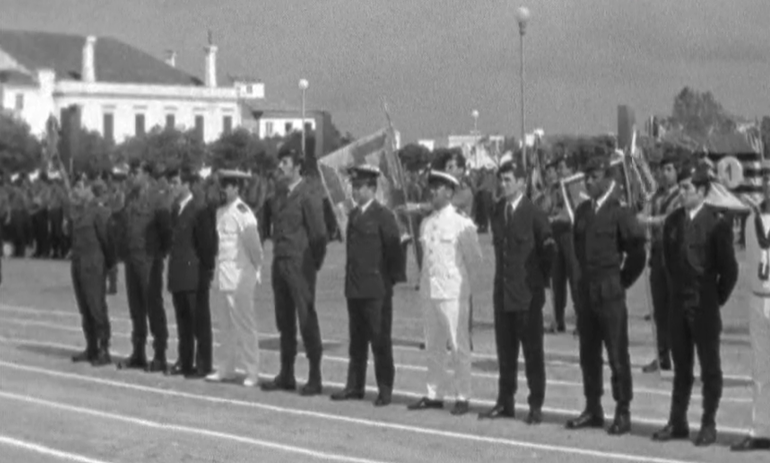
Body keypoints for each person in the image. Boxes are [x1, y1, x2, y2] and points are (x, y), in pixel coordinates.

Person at [653, 161, 739, 447]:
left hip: (704, 305)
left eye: (687, 187)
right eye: (682, 186)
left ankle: (708, 422)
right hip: (679, 303)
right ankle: (678, 421)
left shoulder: (716, 223)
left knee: (709, 368)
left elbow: (729, 271)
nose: (682, 191)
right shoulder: (674, 221)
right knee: (682, 367)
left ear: (702, 191)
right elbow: (668, 261)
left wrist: (714, 299)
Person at [566, 156, 646, 436]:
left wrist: (622, 280)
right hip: (588, 290)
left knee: (616, 354)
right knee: (588, 353)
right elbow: (578, 249)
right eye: (586, 177)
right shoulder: (583, 211)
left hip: (610, 290)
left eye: (594, 176)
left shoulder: (620, 212)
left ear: (608, 179)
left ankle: (623, 411)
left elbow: (637, 252)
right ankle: (592, 407)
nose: (589, 181)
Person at [478, 160, 553, 424]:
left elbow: (548, 253)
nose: (503, 184)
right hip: (503, 294)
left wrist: (538, 284)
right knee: (505, 353)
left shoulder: (534, 213)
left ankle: (535, 404)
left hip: (527, 295)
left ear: (522, 182)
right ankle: (505, 401)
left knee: (533, 355)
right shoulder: (498, 211)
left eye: (509, 179)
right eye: (501, 179)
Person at [406, 170, 482, 416]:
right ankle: (434, 393)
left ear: (449, 192)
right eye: (431, 188)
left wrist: (464, 288)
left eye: (437, 188)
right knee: (433, 346)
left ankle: (463, 395)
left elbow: (474, 260)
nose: (432, 192)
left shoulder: (461, 223)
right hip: (430, 293)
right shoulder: (426, 223)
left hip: (453, 293)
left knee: (459, 346)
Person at [331, 165, 402, 407]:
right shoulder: (353, 216)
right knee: (357, 342)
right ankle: (355, 386)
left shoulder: (383, 216)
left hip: (377, 287)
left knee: (380, 341)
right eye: (353, 186)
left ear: (372, 188)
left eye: (359, 186)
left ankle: (384, 388)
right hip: (355, 287)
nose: (355, 190)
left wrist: (388, 281)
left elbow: (394, 250)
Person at [260, 148, 328, 396]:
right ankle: (286, 373)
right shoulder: (278, 195)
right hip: (280, 263)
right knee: (284, 321)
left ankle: (314, 376)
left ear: (298, 166)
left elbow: (319, 234)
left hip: (301, 265)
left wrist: (312, 264)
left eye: (285, 162)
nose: (280, 166)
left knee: (306, 318)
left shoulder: (308, 195)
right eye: (280, 161)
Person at [205, 169, 263, 386]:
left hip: (240, 278)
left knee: (245, 326)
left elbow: (255, 247)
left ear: (237, 188)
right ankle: (225, 368)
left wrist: (256, 271)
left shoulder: (242, 212)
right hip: (222, 278)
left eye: (228, 185)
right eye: (223, 185)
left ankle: (252, 371)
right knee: (224, 327)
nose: (224, 189)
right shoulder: (221, 212)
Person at [116, 162, 173, 372]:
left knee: (153, 306)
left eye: (135, 172)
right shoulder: (130, 197)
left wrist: (159, 253)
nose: (131, 176)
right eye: (130, 172)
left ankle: (160, 354)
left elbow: (166, 229)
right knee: (136, 307)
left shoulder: (157, 198)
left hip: (149, 260)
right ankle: (138, 352)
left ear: (147, 175)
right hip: (132, 259)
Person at [732, 159, 770, 452]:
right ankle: (761, 429)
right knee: (760, 370)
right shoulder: (749, 220)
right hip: (758, 300)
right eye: (767, 181)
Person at [165, 168, 217, 378]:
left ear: (187, 185)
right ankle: (185, 360)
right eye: (171, 183)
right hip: (179, 273)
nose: (172, 186)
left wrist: (207, 270)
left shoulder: (199, 209)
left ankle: (203, 363)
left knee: (199, 322)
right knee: (183, 321)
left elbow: (207, 244)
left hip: (195, 274)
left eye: (176, 182)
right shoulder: (175, 209)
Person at [637, 153, 681, 373]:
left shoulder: (682, 195)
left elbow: (671, 218)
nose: (664, 174)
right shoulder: (654, 197)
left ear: (676, 172)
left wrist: (649, 220)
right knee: (660, 310)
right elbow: (641, 215)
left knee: (676, 309)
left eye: (669, 169)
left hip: (674, 256)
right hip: (656, 254)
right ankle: (662, 356)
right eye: (662, 170)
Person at [69, 179, 116, 366]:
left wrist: (110, 266)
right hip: (79, 264)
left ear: (90, 191)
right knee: (85, 308)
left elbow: (107, 240)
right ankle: (91, 347)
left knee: (97, 308)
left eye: (81, 187)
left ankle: (104, 349)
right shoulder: (79, 213)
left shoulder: (99, 212)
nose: (77, 190)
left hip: (94, 265)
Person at [544, 155, 580, 334]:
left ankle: (581, 321)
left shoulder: (574, 186)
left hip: (571, 235)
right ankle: (558, 320)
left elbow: (569, 214)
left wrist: (553, 218)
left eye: (562, 167)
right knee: (557, 279)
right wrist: (549, 191)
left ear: (571, 170)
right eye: (557, 168)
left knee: (575, 278)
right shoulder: (557, 188)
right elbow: (546, 207)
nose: (559, 171)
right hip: (557, 236)